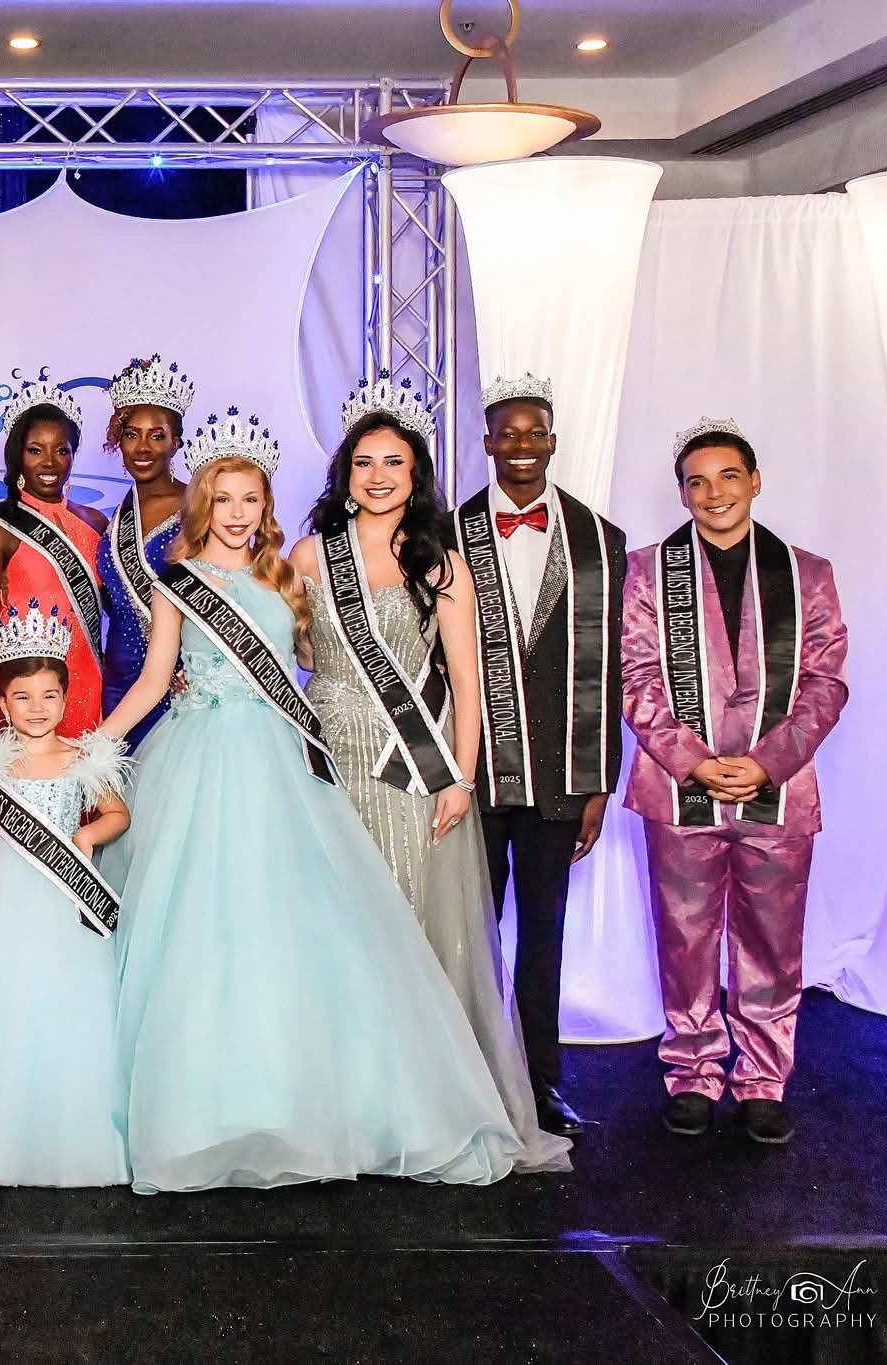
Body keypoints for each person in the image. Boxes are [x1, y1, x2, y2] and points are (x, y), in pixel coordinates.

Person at [99, 413, 532, 1190]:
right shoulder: (226, 573)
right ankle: (215, 1099)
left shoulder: (280, 575)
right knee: (213, 930)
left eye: (249, 499)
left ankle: (356, 1094)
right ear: (202, 505)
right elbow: (160, 678)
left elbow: (336, 655)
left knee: (326, 925)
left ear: (265, 504)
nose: (235, 512)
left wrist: (461, 774)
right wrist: (97, 743)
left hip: (305, 759)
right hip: (216, 759)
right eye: (221, 498)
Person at [291, 377, 571, 1172]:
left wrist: (463, 777)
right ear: (345, 471)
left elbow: (470, 677)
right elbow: (302, 653)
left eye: (396, 463)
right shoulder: (311, 555)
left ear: (417, 476)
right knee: (340, 928)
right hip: (335, 759)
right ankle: (346, 1099)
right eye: (364, 462)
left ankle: (419, 1100)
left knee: (413, 930)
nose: (378, 476)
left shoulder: (441, 560)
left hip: (415, 769)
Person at [620, 419, 847, 1145]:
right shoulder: (647, 572)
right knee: (684, 938)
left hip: (777, 792)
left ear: (755, 481)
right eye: (696, 480)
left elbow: (825, 682)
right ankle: (690, 1070)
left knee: (773, 943)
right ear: (681, 493)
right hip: (677, 787)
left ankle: (762, 1078)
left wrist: (768, 761)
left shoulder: (807, 572)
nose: (713, 492)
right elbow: (635, 677)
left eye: (727, 476)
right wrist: (689, 757)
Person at [452, 375, 626, 1138]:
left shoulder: (601, 539)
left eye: (536, 432)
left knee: (546, 934)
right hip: (477, 775)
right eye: (507, 433)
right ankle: (468, 1076)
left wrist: (599, 783)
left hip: (560, 776)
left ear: (554, 439)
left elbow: (611, 666)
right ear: (486, 442)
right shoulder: (446, 534)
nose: (521, 445)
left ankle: (544, 1081)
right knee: (469, 929)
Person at [0, 603, 131, 1187]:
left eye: (49, 696)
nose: (38, 709)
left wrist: (86, 833)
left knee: (64, 1013)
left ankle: (64, 1141)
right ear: (4, 705)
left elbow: (117, 814)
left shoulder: (84, 756)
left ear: (66, 697)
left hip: (64, 903)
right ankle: (0, 1143)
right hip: (5, 907)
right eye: (23, 698)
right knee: (3, 1014)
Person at [0, 378, 108, 736]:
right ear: (17, 455)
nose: (50, 462)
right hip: (25, 691)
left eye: (62, 450)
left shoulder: (96, 521)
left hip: (90, 679)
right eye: (35, 449)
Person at [95, 356, 194, 747]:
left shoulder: (199, 508)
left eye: (157, 435)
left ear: (177, 441)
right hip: (118, 681)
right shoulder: (118, 516)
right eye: (132, 434)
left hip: (178, 680)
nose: (143, 447)